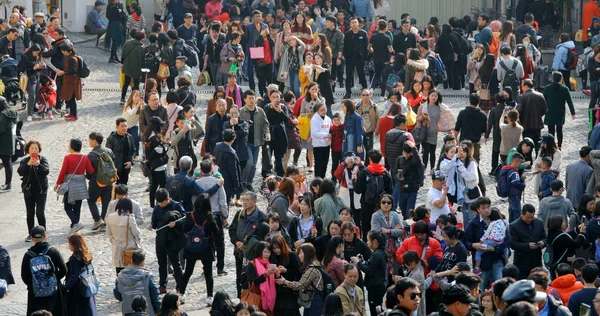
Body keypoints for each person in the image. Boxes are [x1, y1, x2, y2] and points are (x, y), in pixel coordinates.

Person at [179, 194, 221, 306]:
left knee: (188, 271)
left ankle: (181, 294)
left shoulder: (190, 216)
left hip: (192, 247)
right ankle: (209, 297)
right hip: (206, 248)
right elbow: (217, 233)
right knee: (208, 273)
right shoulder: (210, 217)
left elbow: (185, 229)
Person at [464, 197, 510, 291]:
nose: (487, 210)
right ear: (478, 209)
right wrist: (473, 245)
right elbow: (465, 241)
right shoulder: (474, 224)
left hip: (497, 259)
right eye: (483, 208)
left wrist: (495, 248)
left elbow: (508, 240)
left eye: (488, 207)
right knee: (481, 288)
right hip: (482, 263)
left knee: (500, 287)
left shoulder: (497, 219)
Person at [21, 226, 67, 316]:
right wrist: (54, 279)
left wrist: (35, 283)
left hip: (35, 294)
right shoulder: (53, 251)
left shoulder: (28, 255)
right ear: (45, 237)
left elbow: (24, 276)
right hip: (54, 292)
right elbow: (64, 269)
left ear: (32, 238)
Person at [229, 191, 267, 298]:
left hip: (251, 254)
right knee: (239, 274)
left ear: (254, 202)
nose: (244, 202)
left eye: (247, 200)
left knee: (249, 275)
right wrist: (236, 242)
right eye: (243, 200)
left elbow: (261, 236)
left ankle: (250, 297)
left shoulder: (261, 217)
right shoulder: (239, 214)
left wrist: (246, 245)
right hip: (238, 251)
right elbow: (232, 230)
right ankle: (239, 296)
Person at [149, 188, 186, 294]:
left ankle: (179, 286)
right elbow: (154, 222)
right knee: (162, 263)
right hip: (161, 237)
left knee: (175, 262)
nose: (161, 205)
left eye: (163, 203)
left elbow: (184, 219)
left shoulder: (176, 206)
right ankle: (162, 285)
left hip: (172, 239)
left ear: (168, 199)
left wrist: (176, 224)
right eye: (159, 203)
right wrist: (151, 226)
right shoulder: (157, 208)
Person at [54, 138, 95, 233]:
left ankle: (76, 223)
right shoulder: (84, 157)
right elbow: (91, 171)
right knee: (77, 206)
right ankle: (74, 225)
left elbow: (63, 172)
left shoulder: (68, 158)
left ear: (72, 147)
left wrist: (58, 183)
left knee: (67, 207)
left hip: (70, 185)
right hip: (81, 185)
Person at [275, 243, 326, 316]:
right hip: (312, 300)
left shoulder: (312, 269)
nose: (298, 255)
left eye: (300, 253)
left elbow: (299, 285)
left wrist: (284, 281)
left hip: (315, 301)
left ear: (306, 254)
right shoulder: (315, 265)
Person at [353, 149, 393, 239]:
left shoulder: (364, 173)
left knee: (366, 227)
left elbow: (358, 190)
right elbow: (390, 191)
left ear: (370, 159)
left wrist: (354, 179)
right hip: (382, 205)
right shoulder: (386, 173)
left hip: (367, 204)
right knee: (380, 227)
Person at [18, 140, 49, 242]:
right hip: (29, 191)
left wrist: (38, 165)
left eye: (36, 148)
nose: (34, 150)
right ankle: (31, 234)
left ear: (39, 150)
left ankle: (43, 232)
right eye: (32, 148)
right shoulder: (25, 161)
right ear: (28, 150)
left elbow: (46, 171)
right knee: (30, 213)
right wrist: (28, 164)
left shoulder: (42, 159)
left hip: (41, 191)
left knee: (40, 213)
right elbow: (20, 172)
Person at [240, 90, 271, 191]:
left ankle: (249, 182)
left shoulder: (260, 111)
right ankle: (243, 182)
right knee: (249, 162)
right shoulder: (241, 111)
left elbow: (266, 124)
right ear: (245, 99)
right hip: (245, 142)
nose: (251, 100)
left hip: (257, 141)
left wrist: (267, 133)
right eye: (249, 98)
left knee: (253, 165)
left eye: (253, 98)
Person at [114, 249, 161, 315]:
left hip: (128, 312)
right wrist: (159, 310)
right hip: (147, 312)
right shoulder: (147, 276)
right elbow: (155, 296)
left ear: (131, 260)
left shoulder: (120, 277)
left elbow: (117, 296)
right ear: (143, 262)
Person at [87, 132, 117, 230]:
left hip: (96, 181)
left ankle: (97, 219)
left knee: (91, 200)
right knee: (106, 202)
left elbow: (89, 171)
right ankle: (104, 222)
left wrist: (89, 177)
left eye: (90, 140)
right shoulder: (109, 151)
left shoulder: (91, 155)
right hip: (109, 181)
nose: (89, 142)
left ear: (94, 141)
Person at [508, 204, 546, 279]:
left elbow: (544, 237)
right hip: (522, 263)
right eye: (527, 217)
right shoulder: (514, 226)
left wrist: (543, 242)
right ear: (522, 214)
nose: (529, 220)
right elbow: (513, 244)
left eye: (532, 217)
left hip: (536, 261)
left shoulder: (539, 223)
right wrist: (527, 246)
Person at [355, 230, 388, 315]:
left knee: (375, 311)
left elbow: (370, 270)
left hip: (375, 287)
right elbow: (371, 265)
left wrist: (358, 263)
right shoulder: (380, 252)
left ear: (375, 241)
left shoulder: (377, 254)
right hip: (378, 285)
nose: (367, 242)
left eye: (368, 240)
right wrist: (363, 262)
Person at [105, 197, 141, 275]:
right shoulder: (129, 218)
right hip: (129, 248)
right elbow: (136, 233)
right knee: (131, 271)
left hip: (116, 247)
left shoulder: (110, 217)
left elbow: (108, 232)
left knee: (119, 271)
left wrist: (114, 241)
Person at [64, 233, 97, 315]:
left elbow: (74, 276)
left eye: (70, 244)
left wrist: (65, 287)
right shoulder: (86, 255)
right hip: (86, 285)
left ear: (74, 245)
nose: (69, 246)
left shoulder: (75, 258)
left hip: (77, 291)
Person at [473, 209, 509, 275]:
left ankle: (476, 268)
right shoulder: (505, 222)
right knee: (506, 249)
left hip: (491, 241)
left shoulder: (492, 223)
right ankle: (507, 264)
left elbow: (486, 234)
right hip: (501, 241)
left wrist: (480, 242)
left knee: (478, 252)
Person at [454, 94, 487, 163]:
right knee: (474, 162)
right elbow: (484, 130)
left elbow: (457, 128)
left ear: (469, 101)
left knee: (461, 161)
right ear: (479, 102)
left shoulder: (463, 113)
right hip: (475, 142)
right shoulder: (483, 115)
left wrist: (455, 139)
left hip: (463, 141)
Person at [517, 79, 547, 151]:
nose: (522, 88)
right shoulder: (540, 95)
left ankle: (529, 159)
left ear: (526, 86)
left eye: (522, 86)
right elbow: (545, 109)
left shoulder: (522, 97)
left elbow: (519, 111)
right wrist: (538, 115)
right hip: (537, 123)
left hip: (526, 124)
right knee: (538, 142)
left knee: (527, 144)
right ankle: (538, 157)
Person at [18, 44, 45, 121]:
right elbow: (21, 69)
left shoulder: (36, 57)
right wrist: (33, 68)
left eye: (38, 53)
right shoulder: (25, 57)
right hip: (29, 79)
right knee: (32, 95)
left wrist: (41, 66)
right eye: (36, 53)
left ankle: (33, 112)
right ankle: (29, 114)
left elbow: (37, 67)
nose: (37, 54)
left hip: (37, 77)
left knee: (36, 96)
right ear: (32, 51)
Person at [342, 18, 368, 99]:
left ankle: (365, 91)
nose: (354, 24)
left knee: (362, 75)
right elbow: (345, 46)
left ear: (358, 23)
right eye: (352, 22)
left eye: (355, 22)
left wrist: (365, 56)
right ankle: (348, 92)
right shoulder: (347, 34)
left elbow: (366, 46)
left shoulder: (363, 34)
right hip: (350, 58)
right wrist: (345, 55)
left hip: (360, 58)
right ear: (350, 24)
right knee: (349, 75)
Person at [396, 142, 422, 220]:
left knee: (409, 211)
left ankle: (408, 223)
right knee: (402, 207)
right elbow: (395, 171)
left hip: (412, 189)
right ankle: (405, 219)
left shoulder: (414, 160)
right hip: (402, 188)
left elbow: (418, 161)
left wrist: (414, 148)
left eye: (409, 154)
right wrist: (399, 177)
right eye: (405, 153)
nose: (406, 155)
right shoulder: (399, 159)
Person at [106, 118, 135, 185]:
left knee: (124, 185)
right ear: (117, 127)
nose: (124, 128)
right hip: (115, 168)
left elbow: (133, 150)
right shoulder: (111, 139)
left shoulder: (129, 137)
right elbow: (107, 154)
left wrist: (131, 161)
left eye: (125, 126)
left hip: (126, 167)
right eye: (122, 126)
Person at [120, 30, 145, 104]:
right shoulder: (142, 47)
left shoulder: (128, 43)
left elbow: (123, 54)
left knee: (126, 83)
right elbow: (143, 59)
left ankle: (122, 98)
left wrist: (122, 63)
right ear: (142, 38)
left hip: (127, 66)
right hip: (137, 68)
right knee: (136, 85)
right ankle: (136, 99)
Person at [58, 42, 82, 121]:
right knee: (70, 98)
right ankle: (71, 113)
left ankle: (74, 115)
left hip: (72, 82)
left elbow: (73, 70)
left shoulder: (72, 59)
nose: (62, 52)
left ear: (67, 51)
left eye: (63, 51)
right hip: (70, 81)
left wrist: (64, 72)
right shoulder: (71, 56)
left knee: (72, 99)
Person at [356, 89, 379, 162]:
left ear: (370, 95)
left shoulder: (374, 106)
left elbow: (378, 118)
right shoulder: (357, 106)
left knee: (369, 150)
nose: (365, 97)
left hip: (370, 131)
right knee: (360, 151)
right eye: (363, 95)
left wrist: (376, 129)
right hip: (359, 132)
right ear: (361, 96)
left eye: (367, 95)